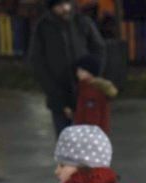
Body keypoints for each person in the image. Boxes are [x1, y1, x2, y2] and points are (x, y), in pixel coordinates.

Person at [30, 0, 106, 136]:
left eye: (67, 3)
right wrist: (57, 98)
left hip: (85, 92)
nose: (65, 8)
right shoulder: (43, 27)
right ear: (52, 7)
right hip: (58, 94)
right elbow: (37, 62)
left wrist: (91, 74)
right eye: (60, 5)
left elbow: (98, 49)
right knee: (64, 143)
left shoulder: (82, 22)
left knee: (86, 141)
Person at [73, 54, 118, 134]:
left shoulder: (91, 92)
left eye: (82, 70)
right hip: (94, 134)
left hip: (90, 135)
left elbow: (92, 116)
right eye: (78, 70)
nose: (78, 73)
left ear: (90, 73)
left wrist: (86, 133)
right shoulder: (85, 88)